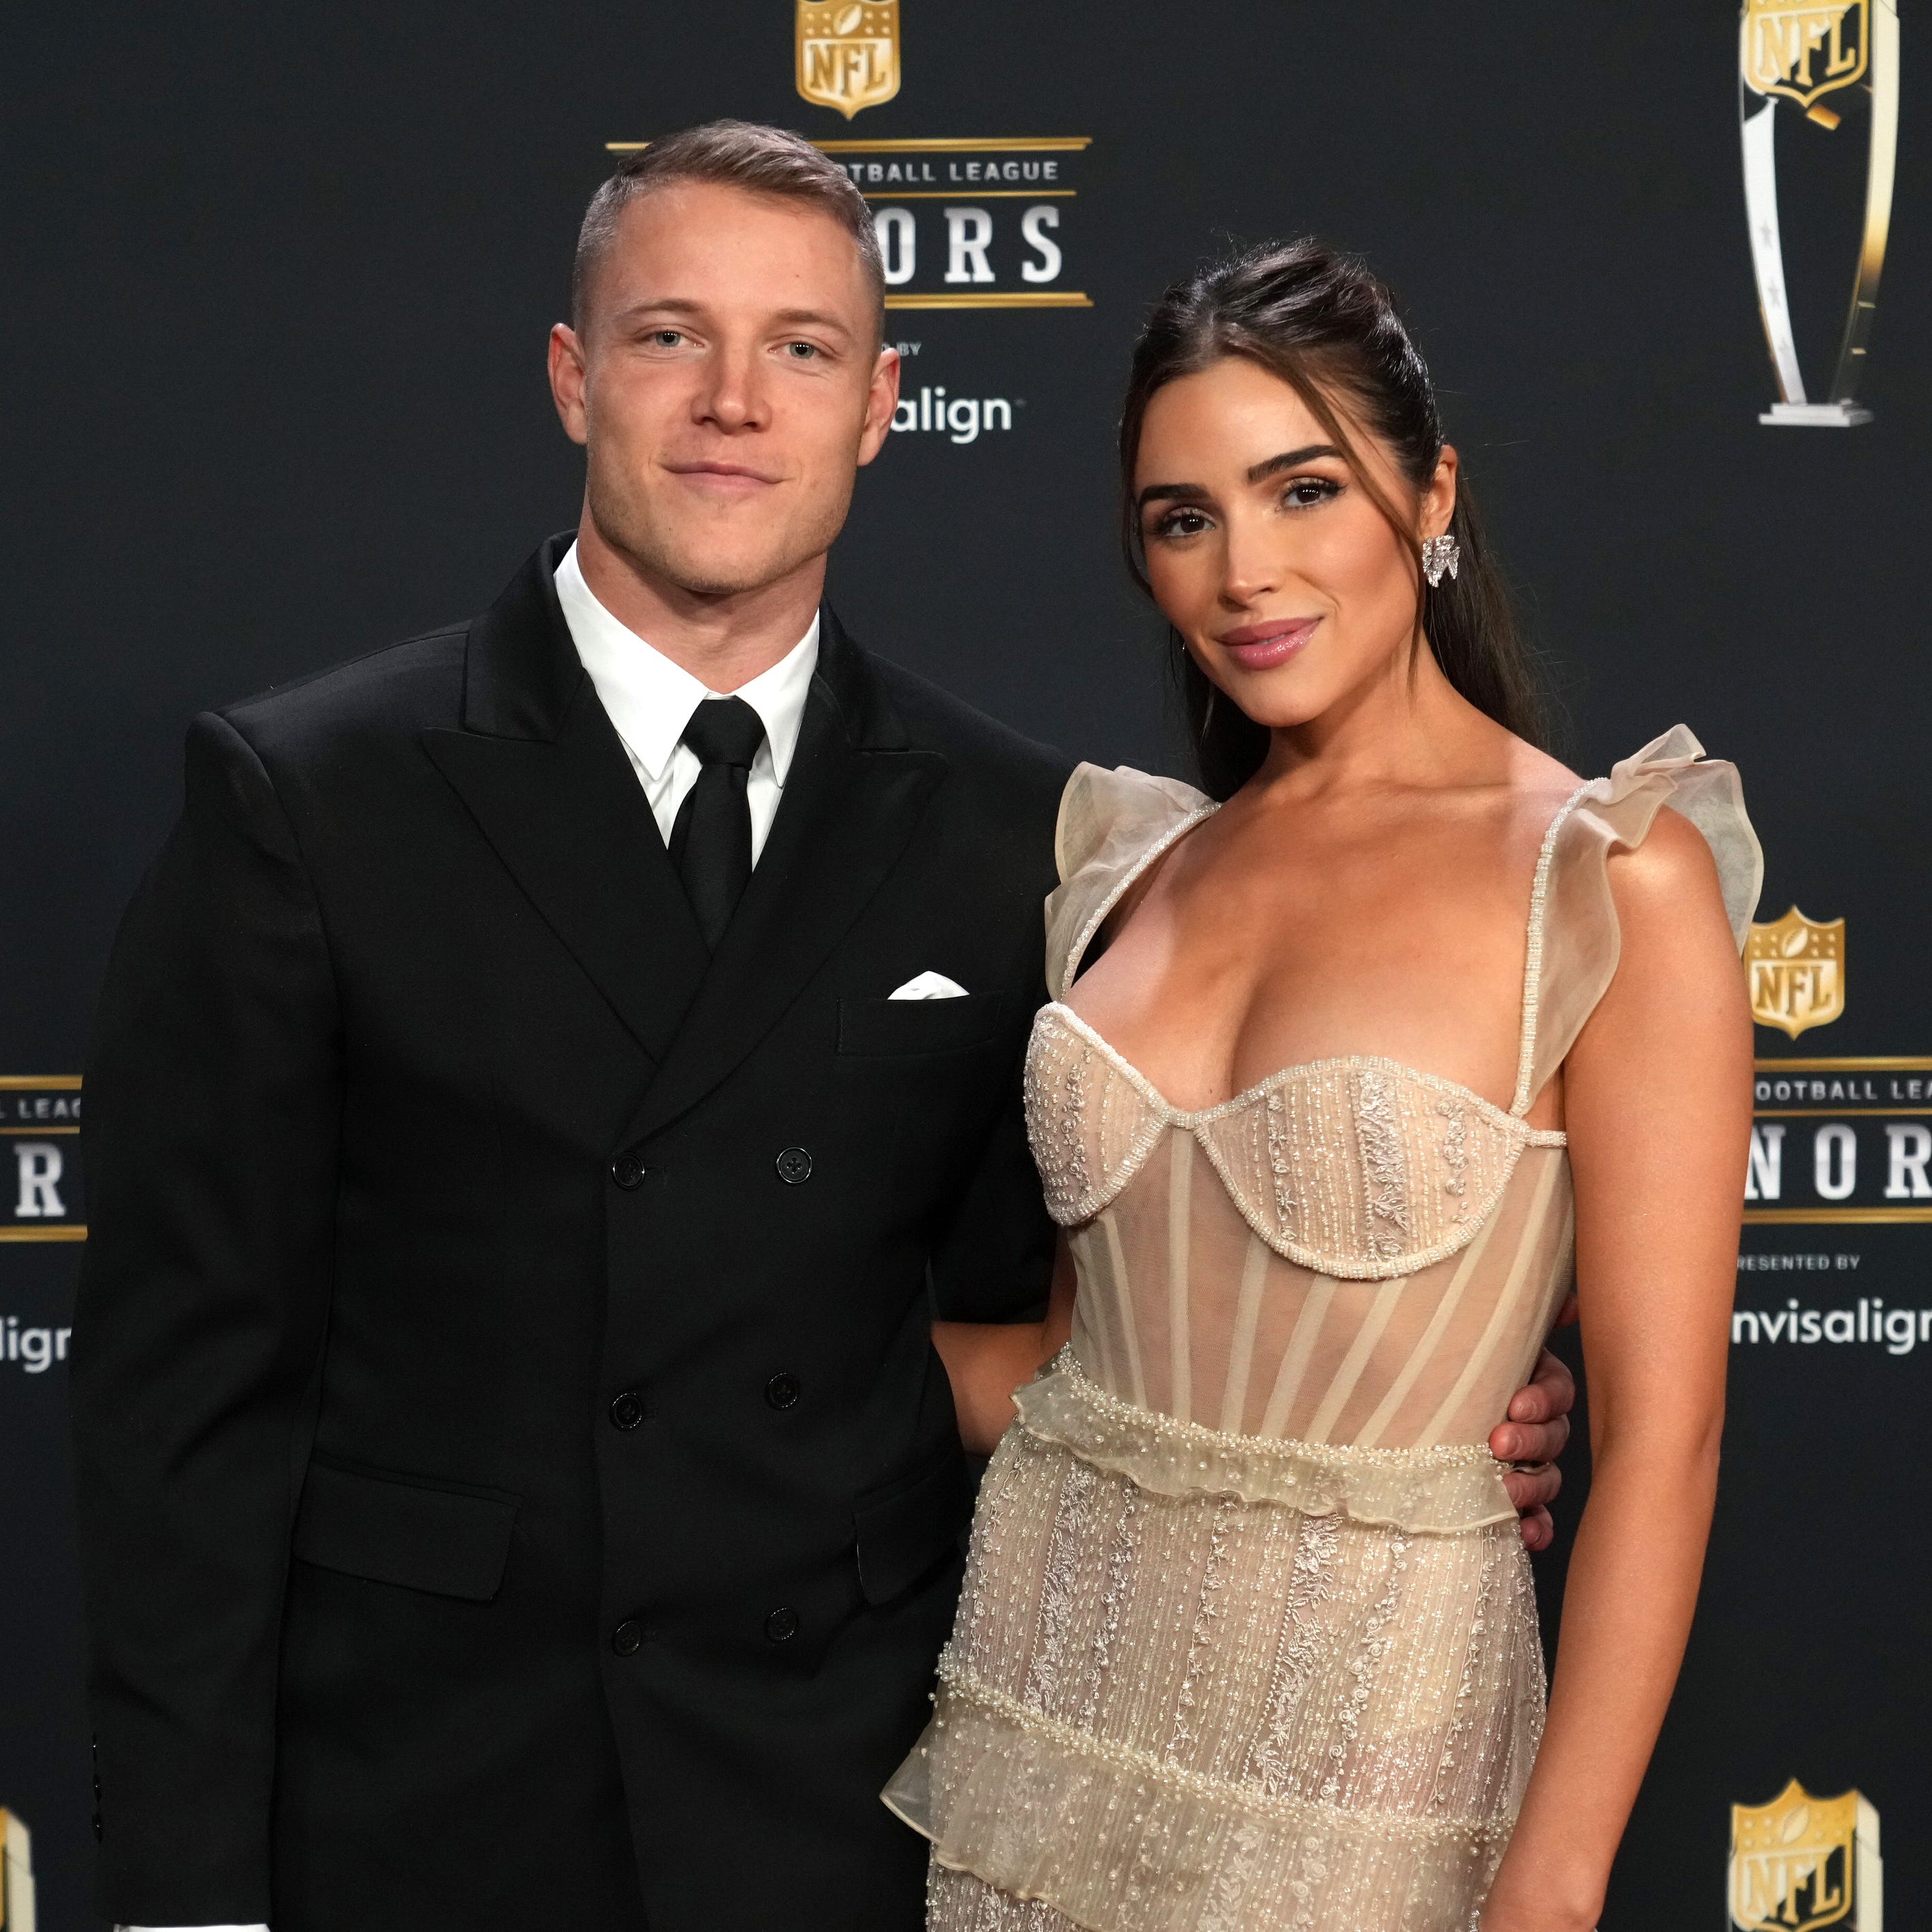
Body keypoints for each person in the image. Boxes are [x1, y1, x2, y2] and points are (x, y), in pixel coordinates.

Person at [69, 125, 1573, 1932]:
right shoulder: (309, 799)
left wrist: (1399, 1385)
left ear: (878, 406)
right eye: (664, 337)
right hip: (434, 1804)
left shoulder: (1023, 833)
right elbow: (183, 1416)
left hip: (860, 1811)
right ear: (569, 377)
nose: (730, 401)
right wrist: (185, 1900)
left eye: (798, 348)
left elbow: (1076, 1324)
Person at [887, 240, 1758, 1932]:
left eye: (1303, 491)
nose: (1245, 573)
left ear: (1430, 501)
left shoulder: (1605, 878)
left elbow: (1670, 1437)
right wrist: (687, 1364)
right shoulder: (1124, 870)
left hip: (1375, 1773)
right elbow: (1075, 1359)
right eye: (1182, 518)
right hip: (1041, 1710)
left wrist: (1555, 1886)